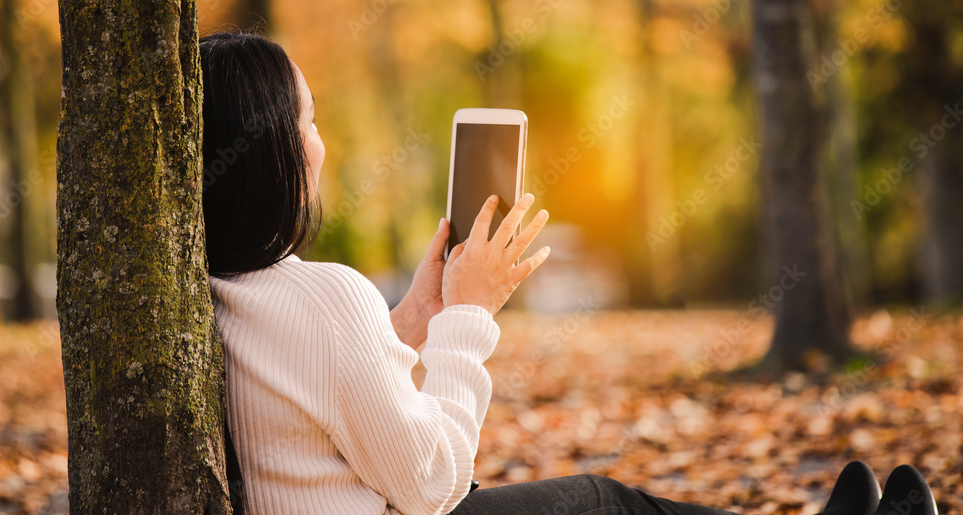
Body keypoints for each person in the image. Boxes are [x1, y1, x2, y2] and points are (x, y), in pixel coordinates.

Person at [200, 31, 938, 515]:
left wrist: (405, 326)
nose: (319, 141)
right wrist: (468, 319)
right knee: (600, 503)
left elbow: (308, 405)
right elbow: (430, 481)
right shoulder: (325, 296)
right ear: (273, 152)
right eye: (310, 119)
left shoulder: (219, 294)